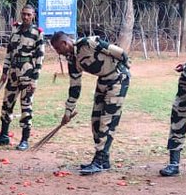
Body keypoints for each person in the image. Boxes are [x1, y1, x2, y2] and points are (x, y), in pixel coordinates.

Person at [48, 31, 131, 174]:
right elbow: (74, 88)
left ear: (64, 43)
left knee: (107, 121)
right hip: (102, 82)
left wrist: (124, 68)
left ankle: (98, 161)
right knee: (96, 121)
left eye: (57, 49)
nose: (58, 52)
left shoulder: (88, 43)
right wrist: (68, 112)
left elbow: (120, 53)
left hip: (117, 79)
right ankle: (104, 160)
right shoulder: (71, 60)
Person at [0, 4, 44, 151]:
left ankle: (25, 139)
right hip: (12, 73)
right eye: (24, 14)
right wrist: (5, 71)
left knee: (26, 106)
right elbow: (9, 52)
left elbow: (39, 59)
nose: (25, 17)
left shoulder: (37, 33)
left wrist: (34, 80)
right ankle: (3, 136)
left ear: (33, 16)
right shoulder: (15, 31)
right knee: (7, 104)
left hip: (27, 73)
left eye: (28, 15)